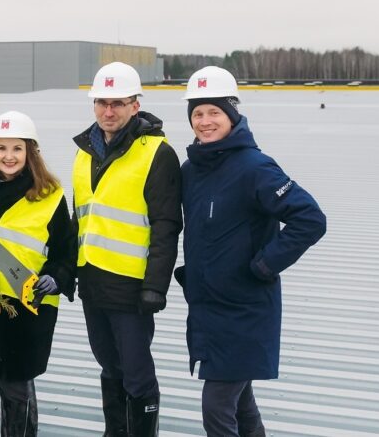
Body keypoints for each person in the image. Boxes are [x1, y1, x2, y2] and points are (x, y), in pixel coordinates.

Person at [176, 66, 326, 437]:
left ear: (233, 113)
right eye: (197, 113)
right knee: (242, 405)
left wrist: (263, 265)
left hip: (245, 309)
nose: (205, 121)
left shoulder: (254, 167)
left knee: (217, 406)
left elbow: (310, 218)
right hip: (210, 307)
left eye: (214, 112)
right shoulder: (191, 170)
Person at [71, 61, 182, 436]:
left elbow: (167, 226)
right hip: (93, 282)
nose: (109, 111)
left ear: (136, 105)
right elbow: (81, 219)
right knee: (108, 366)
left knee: (136, 373)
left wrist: (156, 286)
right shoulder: (85, 151)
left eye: (118, 103)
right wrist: (72, 273)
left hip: (132, 287)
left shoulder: (157, 153)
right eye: (102, 102)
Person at [0, 111, 77, 437]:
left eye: (17, 149)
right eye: (1, 148)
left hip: (30, 304)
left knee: (17, 378)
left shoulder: (49, 196)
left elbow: (66, 250)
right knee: (8, 379)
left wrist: (57, 277)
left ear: (30, 153)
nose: (8, 157)